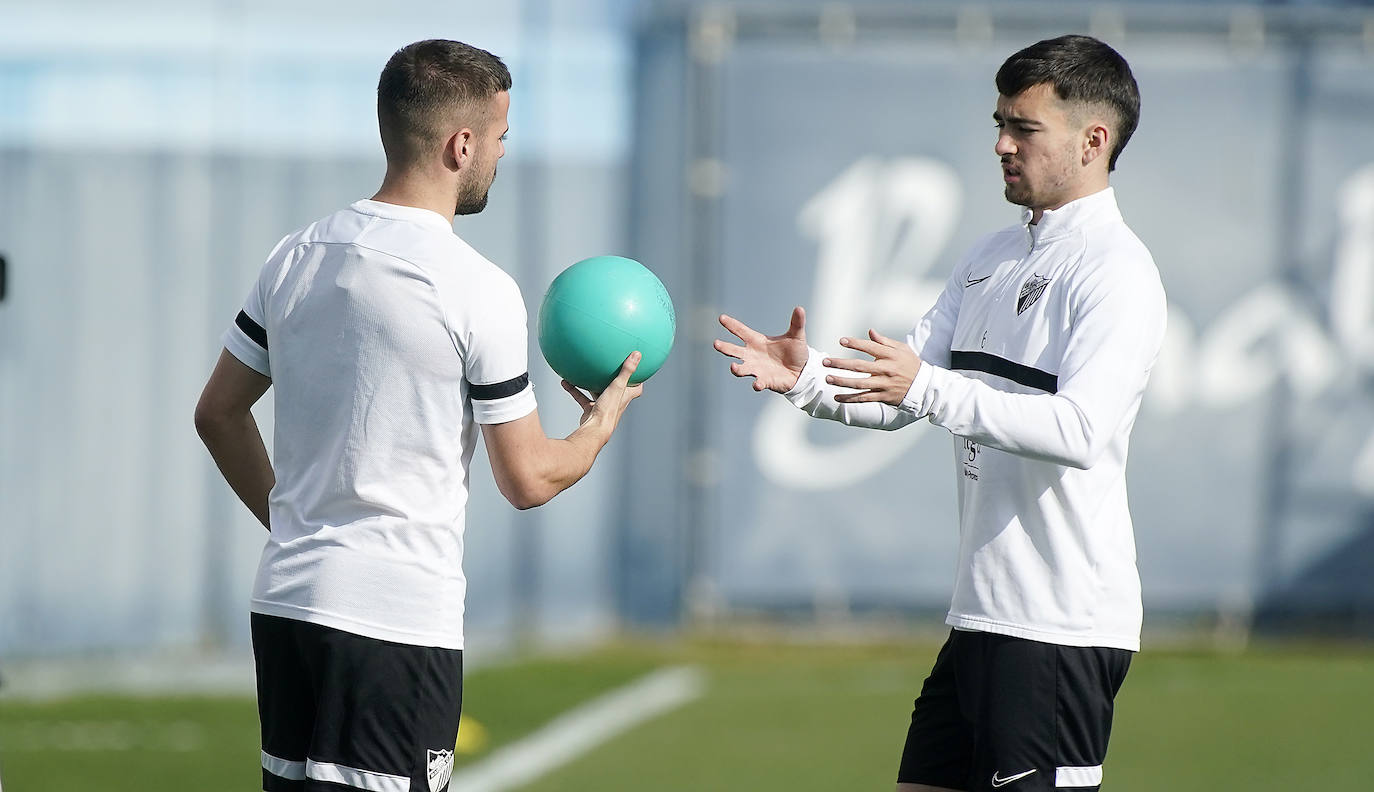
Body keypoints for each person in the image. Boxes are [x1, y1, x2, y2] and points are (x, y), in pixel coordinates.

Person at [715, 35, 1164, 792]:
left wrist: (926, 388)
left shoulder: (1118, 271)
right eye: (1000, 123)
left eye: (1024, 128)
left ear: (1094, 140)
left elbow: (1079, 431)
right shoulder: (988, 256)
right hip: (982, 620)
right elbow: (898, 396)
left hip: (1058, 628)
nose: (1001, 144)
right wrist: (805, 379)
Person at [194, 39, 642, 792]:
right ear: (461, 144)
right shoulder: (477, 288)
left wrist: (299, 525)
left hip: (287, 604)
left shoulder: (296, 254)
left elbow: (218, 415)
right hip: (393, 624)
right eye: (500, 138)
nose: (502, 152)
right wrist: (601, 422)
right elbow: (528, 477)